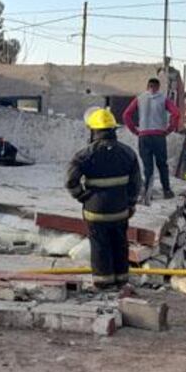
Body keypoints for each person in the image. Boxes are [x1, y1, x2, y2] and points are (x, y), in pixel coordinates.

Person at [66, 107, 142, 294]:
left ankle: (103, 283)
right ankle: (122, 280)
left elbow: (70, 181)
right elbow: (136, 183)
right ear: (113, 130)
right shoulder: (128, 153)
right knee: (120, 243)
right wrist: (131, 203)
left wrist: (81, 196)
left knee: (100, 246)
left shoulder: (84, 155)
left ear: (93, 131)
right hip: (120, 210)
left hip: (95, 211)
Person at [123, 77, 181, 200]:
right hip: (159, 136)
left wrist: (135, 130)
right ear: (158, 87)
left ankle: (147, 193)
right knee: (162, 165)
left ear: (147, 86)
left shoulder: (139, 98)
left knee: (148, 166)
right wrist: (170, 129)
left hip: (144, 136)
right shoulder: (164, 99)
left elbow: (126, 115)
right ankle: (167, 190)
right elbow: (176, 113)